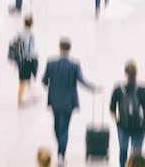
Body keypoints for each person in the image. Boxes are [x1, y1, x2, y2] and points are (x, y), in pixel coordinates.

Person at [41, 38, 101, 166]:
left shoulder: (51, 63)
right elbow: (81, 80)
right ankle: (61, 151)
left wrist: (49, 83)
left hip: (55, 101)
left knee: (57, 126)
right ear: (69, 49)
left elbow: (44, 81)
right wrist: (94, 88)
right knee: (64, 127)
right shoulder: (74, 65)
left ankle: (61, 152)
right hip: (69, 102)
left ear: (60, 48)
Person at [110, 60, 145, 167]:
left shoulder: (118, 90)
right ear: (136, 73)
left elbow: (112, 110)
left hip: (123, 125)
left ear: (126, 74)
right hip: (139, 126)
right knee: (136, 153)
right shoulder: (144, 89)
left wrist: (118, 122)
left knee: (123, 151)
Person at [12, 15, 37, 106]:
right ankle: (20, 101)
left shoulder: (20, 33)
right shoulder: (31, 34)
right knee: (23, 80)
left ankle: (31, 95)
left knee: (27, 79)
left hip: (21, 59)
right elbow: (31, 49)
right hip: (28, 59)